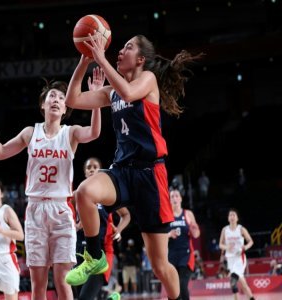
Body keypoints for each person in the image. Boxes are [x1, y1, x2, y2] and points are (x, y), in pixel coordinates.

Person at [64, 31, 202, 300]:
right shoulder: (111, 91)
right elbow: (73, 100)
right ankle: (94, 257)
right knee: (84, 192)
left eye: (127, 47)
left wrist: (101, 59)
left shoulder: (147, 80)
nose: (120, 50)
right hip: (123, 171)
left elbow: (128, 93)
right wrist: (85, 60)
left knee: (160, 265)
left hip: (151, 175)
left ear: (140, 59)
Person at [0, 78, 101, 300]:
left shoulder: (70, 133)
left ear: (65, 108)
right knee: (38, 283)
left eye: (61, 98)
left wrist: (96, 100)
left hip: (61, 210)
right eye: (52, 96)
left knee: (63, 279)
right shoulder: (31, 133)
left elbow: (94, 133)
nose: (56, 100)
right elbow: (0, 152)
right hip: (35, 211)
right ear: (43, 104)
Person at [75, 156, 130, 300]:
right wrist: (74, 227)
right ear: (85, 172)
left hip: (102, 253)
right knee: (82, 296)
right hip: (79, 252)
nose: (92, 169)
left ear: (100, 171)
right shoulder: (76, 195)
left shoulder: (107, 196)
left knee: (84, 298)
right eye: (89, 167)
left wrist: (118, 230)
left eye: (95, 167)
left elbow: (126, 215)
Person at [168, 188, 200, 300]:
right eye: (172, 196)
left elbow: (196, 234)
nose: (174, 198)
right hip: (170, 256)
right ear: (169, 199)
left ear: (180, 199)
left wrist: (193, 229)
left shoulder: (188, 214)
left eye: (177, 196)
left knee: (182, 285)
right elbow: (160, 236)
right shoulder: (166, 215)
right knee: (172, 288)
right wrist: (168, 234)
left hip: (185, 255)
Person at [219, 208, 255, 300]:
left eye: (233, 215)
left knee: (233, 281)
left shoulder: (241, 229)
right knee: (244, 285)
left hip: (240, 258)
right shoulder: (225, 230)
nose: (232, 217)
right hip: (230, 259)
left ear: (237, 218)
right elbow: (220, 245)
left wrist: (245, 247)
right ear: (228, 218)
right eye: (230, 215)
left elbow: (251, 241)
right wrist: (226, 248)